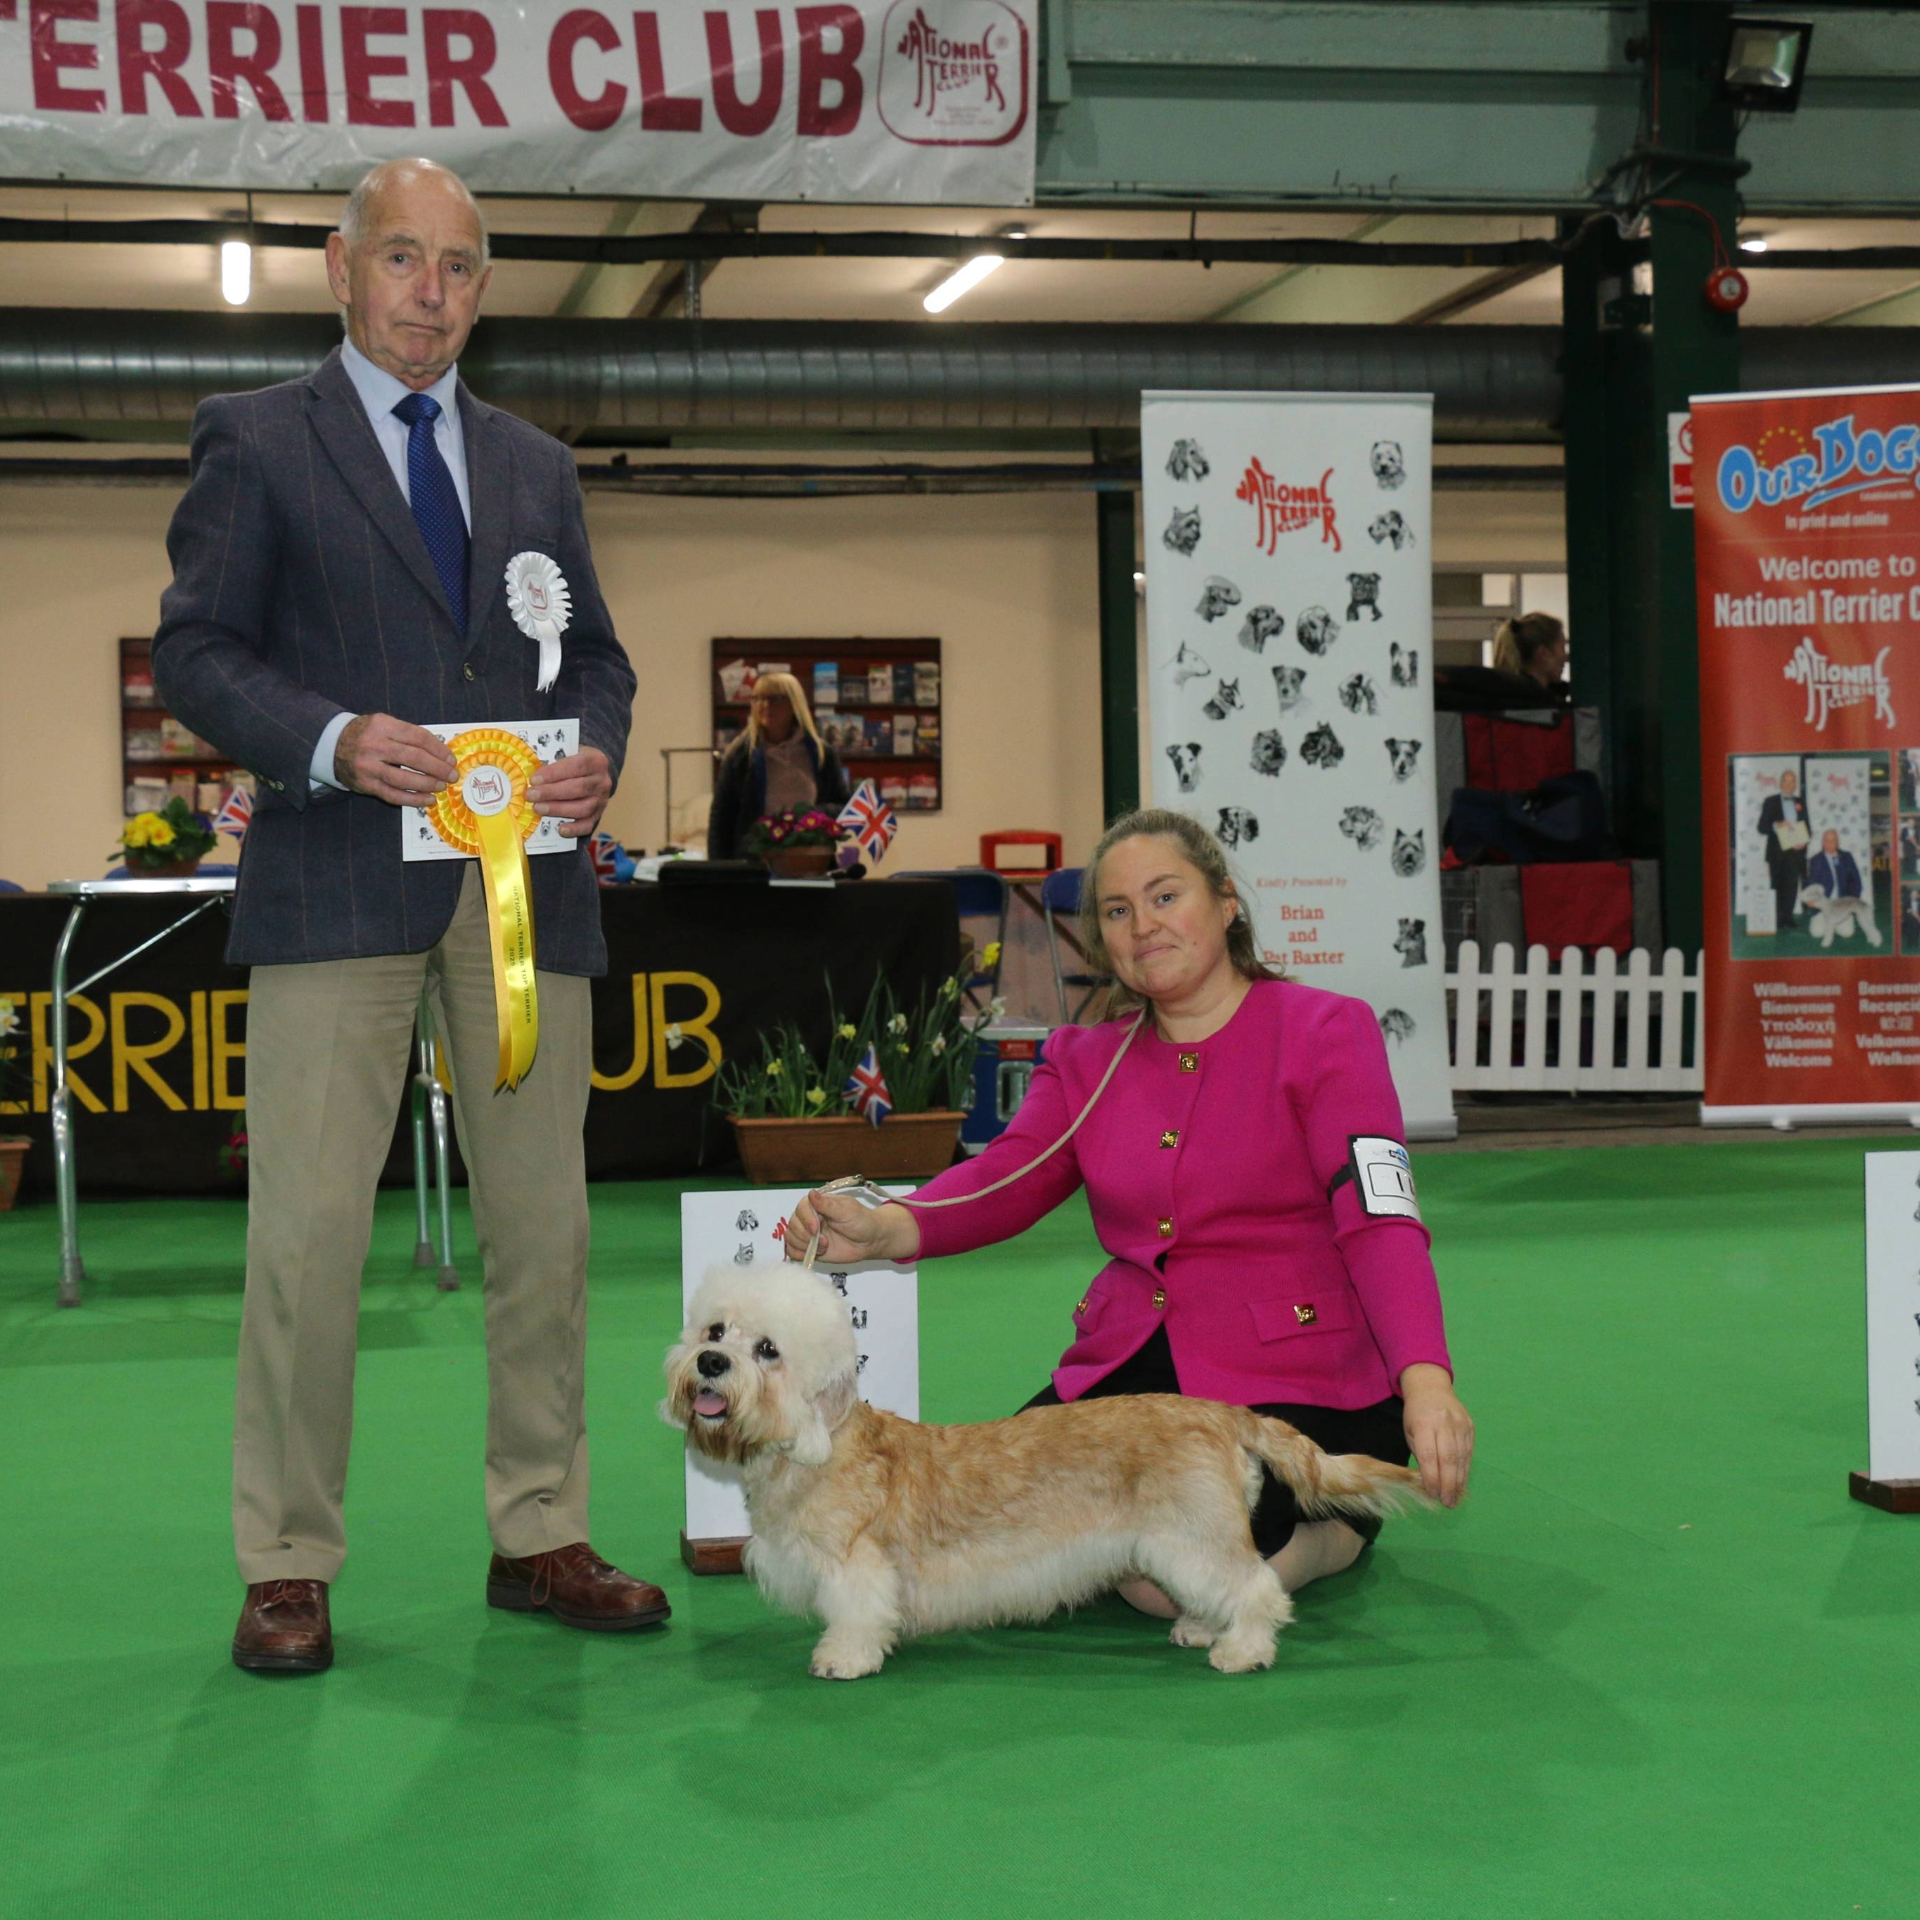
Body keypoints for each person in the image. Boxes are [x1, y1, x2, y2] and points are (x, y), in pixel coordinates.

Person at [153, 158, 668, 1675]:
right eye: (400, 258)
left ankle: (542, 1527)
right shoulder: (257, 438)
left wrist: (593, 755)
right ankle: (287, 1559)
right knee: (308, 1242)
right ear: (340, 268)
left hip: (524, 894)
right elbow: (196, 652)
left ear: (484, 288)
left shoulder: (536, 466)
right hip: (332, 884)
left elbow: (601, 662)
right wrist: (329, 739)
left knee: (546, 1233)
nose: (427, 292)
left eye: (455, 266)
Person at [786, 808, 1473, 1611]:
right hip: (1133, 1368)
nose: (1143, 925)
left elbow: (1379, 1216)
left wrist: (1426, 1382)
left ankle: (1335, 1531)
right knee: (985, 1525)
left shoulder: (1327, 1029)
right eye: (1117, 910)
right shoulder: (1084, 1058)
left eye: (1165, 897)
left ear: (1225, 903)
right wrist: (890, 1224)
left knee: (1162, 1583)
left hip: (1307, 1375)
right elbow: (1009, 1175)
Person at [706, 671, 851, 858]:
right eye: (758, 698)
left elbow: (843, 807)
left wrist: (810, 814)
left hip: (811, 860)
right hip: (754, 863)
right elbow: (721, 818)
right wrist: (718, 869)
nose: (765, 705)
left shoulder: (821, 753)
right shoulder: (740, 755)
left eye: (775, 699)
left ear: (794, 704)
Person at [1756, 770, 1810, 934]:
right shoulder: (1770, 801)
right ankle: (1777, 918)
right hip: (1777, 852)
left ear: (1795, 784)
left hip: (1796, 852)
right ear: (1780, 783)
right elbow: (1761, 827)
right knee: (1777, 885)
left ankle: (1788, 917)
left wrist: (1804, 841)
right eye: (1785, 780)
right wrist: (1777, 824)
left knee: (1792, 886)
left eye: (1792, 781)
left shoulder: (1800, 802)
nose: (1788, 784)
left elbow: (1807, 827)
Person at [1490, 610, 1570, 693]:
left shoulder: (1508, 693)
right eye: (1562, 648)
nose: (1565, 657)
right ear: (1544, 654)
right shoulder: (1537, 699)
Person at [1807, 828, 1863, 902]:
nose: (1830, 843)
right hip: (1824, 902)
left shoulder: (1847, 857)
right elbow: (1812, 883)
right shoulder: (1815, 860)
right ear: (1822, 842)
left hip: (1844, 902)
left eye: (1833, 840)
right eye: (1827, 840)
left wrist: (1852, 900)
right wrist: (1813, 900)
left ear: (1838, 842)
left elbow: (1856, 882)